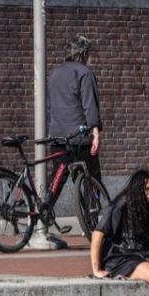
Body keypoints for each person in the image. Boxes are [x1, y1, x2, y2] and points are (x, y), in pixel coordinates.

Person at [46, 34, 102, 184]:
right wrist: (96, 134)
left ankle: (46, 199)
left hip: (57, 137)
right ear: (83, 54)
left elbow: (49, 105)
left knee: (56, 181)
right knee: (92, 180)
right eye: (88, 54)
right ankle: (92, 199)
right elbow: (90, 105)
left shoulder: (54, 73)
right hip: (79, 139)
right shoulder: (85, 73)